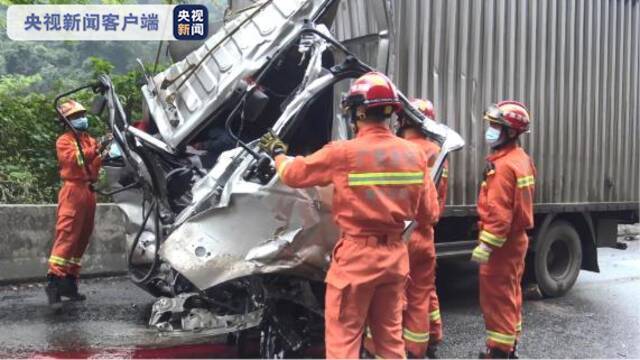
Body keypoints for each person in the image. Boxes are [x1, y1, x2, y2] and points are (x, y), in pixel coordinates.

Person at [258, 72, 440, 359]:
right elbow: (430, 214)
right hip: (394, 259)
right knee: (391, 341)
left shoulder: (343, 153)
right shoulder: (415, 156)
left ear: (359, 112)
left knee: (344, 341)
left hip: (356, 259)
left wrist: (278, 154)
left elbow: (294, 175)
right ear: (390, 113)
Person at [363, 98, 448, 358]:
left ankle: (378, 348)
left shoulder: (401, 150)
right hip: (426, 233)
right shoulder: (437, 150)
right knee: (422, 293)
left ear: (404, 120)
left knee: (390, 296)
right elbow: (436, 201)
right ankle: (417, 348)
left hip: (403, 234)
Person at [471, 100, 536, 358]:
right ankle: (510, 347)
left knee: (497, 300)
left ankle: (499, 352)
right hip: (515, 241)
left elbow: (499, 214)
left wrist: (486, 244)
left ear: (510, 132)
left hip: (502, 245)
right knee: (510, 296)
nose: (490, 130)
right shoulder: (521, 159)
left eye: (496, 126)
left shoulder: (504, 166)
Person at [45, 100, 105, 309]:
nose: (81, 119)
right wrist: (98, 149)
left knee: (81, 238)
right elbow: (75, 160)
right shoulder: (64, 140)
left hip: (88, 190)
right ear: (66, 121)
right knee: (67, 235)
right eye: (75, 117)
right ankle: (54, 283)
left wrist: (107, 150)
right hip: (73, 190)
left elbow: (97, 159)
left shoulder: (88, 139)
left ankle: (69, 284)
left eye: (82, 115)